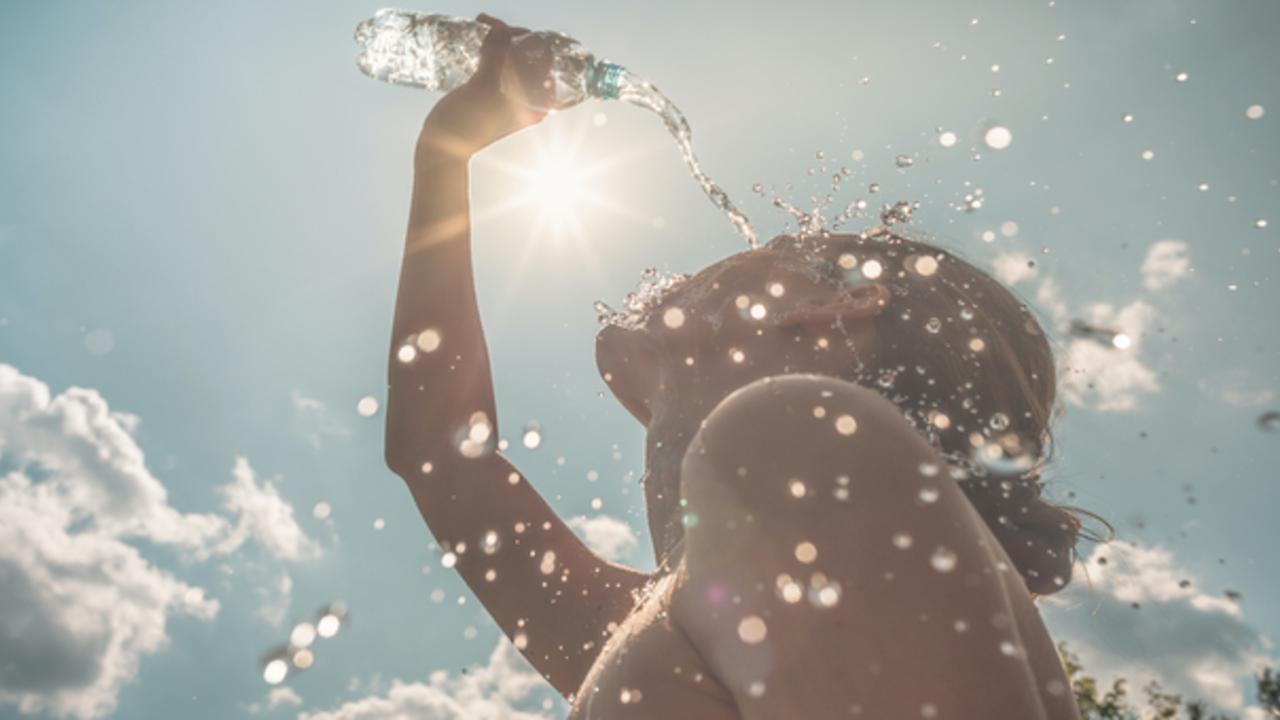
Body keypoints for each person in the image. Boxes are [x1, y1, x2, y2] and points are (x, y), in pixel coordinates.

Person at [383, 14, 1097, 719]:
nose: (735, 254)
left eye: (784, 245)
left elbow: (441, 455)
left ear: (837, 304)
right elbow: (438, 452)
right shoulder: (653, 627)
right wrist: (446, 155)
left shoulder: (795, 438)